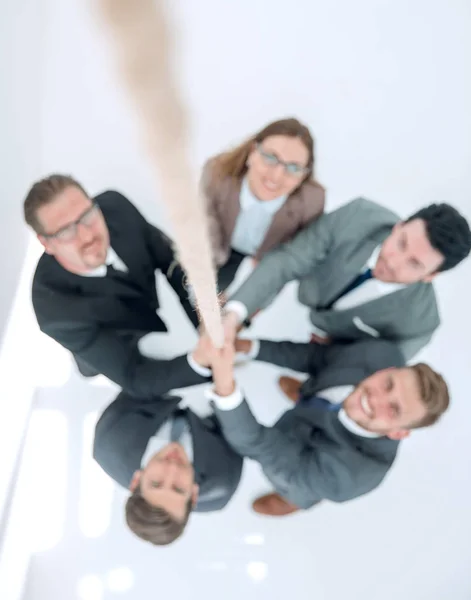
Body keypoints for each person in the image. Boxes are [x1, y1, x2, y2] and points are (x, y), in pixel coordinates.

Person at [206, 335, 449, 517]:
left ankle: (291, 503)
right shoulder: (381, 353)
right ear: (388, 369)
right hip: (313, 413)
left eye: (393, 409)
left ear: (398, 433)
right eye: (387, 384)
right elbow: (318, 358)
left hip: (305, 470)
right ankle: (308, 397)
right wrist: (249, 347)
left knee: (294, 486)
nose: (375, 399)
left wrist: (224, 384)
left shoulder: (348, 475)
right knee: (317, 390)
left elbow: (258, 443)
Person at [222, 199, 471, 371]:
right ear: (399, 226)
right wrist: (235, 314)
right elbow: (288, 261)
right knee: (268, 274)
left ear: (430, 277)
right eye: (401, 242)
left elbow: (379, 368)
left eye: (414, 264)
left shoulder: (421, 322)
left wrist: (345, 352)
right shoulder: (358, 216)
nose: (393, 262)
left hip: (334, 343)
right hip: (313, 286)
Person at [25, 174, 206, 397]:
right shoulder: (53, 310)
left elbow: (173, 263)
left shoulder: (116, 207)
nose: (87, 235)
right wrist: (202, 363)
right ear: (47, 244)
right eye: (66, 231)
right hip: (100, 336)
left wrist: (206, 321)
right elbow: (134, 376)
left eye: (87, 215)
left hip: (142, 304)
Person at [93, 336, 243, 545]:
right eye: (179, 488)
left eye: (156, 482)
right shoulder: (223, 479)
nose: (172, 468)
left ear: (137, 480)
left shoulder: (110, 444)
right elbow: (239, 426)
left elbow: (137, 384)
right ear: (194, 494)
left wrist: (196, 363)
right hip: (214, 404)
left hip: (158, 377)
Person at [202, 118, 325, 292]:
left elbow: (297, 251)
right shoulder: (217, 173)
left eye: (294, 168)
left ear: (304, 175)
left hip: (267, 256)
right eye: (270, 157)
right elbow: (206, 220)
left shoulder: (313, 200)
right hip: (223, 244)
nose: (276, 177)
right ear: (252, 152)